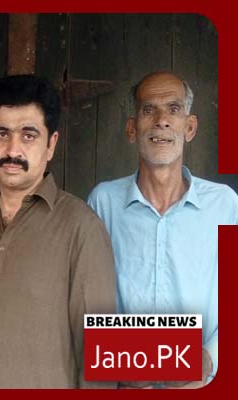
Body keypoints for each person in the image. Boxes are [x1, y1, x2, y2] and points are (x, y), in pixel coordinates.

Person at [0, 74, 117, 388]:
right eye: (2, 133)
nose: (13, 149)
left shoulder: (81, 228)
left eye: (28, 135)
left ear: (51, 144)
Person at [87, 71, 235, 388]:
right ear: (131, 129)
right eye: (148, 109)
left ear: (190, 127)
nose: (162, 121)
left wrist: (209, 357)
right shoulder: (104, 202)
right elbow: (87, 297)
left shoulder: (225, 205)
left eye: (174, 109)